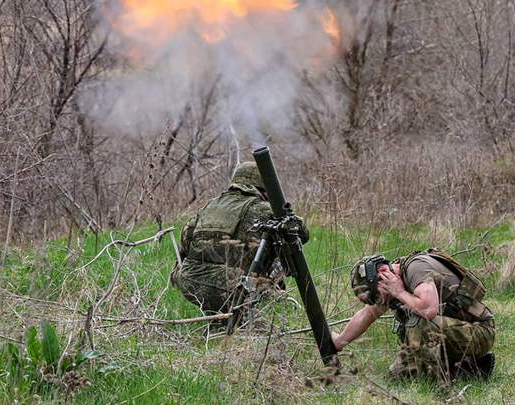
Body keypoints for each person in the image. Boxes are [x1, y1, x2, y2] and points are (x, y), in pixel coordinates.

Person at [331, 250, 496, 382]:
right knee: (395, 379)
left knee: (419, 321)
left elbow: (428, 309)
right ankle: (470, 368)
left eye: (376, 295)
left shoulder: (415, 269)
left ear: (382, 272)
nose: (378, 301)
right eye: (372, 299)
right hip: (452, 333)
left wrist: (400, 292)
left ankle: (446, 376)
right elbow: (364, 316)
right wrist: (340, 341)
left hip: (479, 332)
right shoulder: (390, 281)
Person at [171, 161, 308, 315]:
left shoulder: (209, 205)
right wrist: (279, 207)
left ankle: (219, 315)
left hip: (190, 283)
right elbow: (302, 233)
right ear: (264, 188)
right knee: (285, 306)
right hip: (234, 290)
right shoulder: (264, 209)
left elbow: (185, 242)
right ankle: (253, 312)